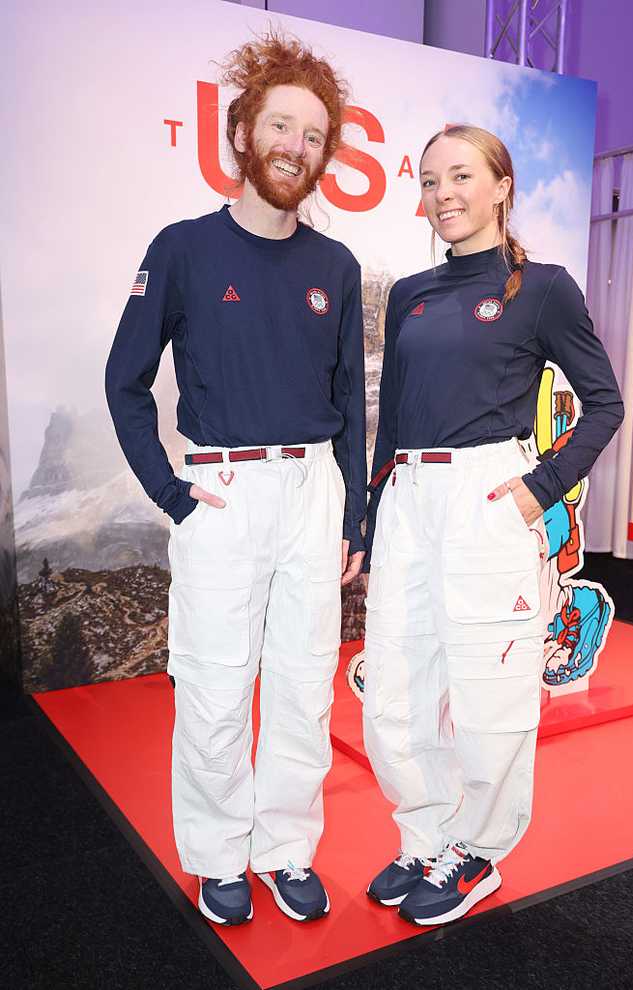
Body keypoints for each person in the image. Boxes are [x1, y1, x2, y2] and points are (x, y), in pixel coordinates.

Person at [105, 32, 366, 926]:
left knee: (302, 687)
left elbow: (351, 408)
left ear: (327, 155)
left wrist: (353, 518)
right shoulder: (182, 249)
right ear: (243, 133)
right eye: (282, 124)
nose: (297, 145)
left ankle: (286, 848)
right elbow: (124, 381)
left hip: (313, 493)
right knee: (215, 685)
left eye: (315, 134)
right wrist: (174, 495)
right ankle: (220, 853)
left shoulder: (335, 268)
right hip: (220, 490)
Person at [362, 124, 623, 926]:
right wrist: (375, 522)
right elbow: (391, 419)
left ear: (502, 185)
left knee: (487, 688)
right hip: (409, 495)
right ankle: (427, 831)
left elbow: (603, 403)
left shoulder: (543, 288)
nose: (443, 194)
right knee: (397, 690)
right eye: (431, 180)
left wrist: (538, 488)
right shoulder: (409, 291)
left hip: (488, 497)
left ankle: (477, 851)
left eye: (462, 177)